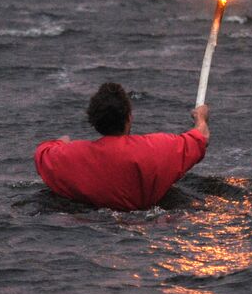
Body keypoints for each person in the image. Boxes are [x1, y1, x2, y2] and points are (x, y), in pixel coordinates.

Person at [35, 82, 210, 211]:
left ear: (94, 121)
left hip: (91, 223)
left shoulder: (67, 156)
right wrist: (200, 117)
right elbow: (201, 137)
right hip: (149, 225)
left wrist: (61, 142)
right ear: (129, 118)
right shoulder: (159, 148)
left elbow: (42, 153)